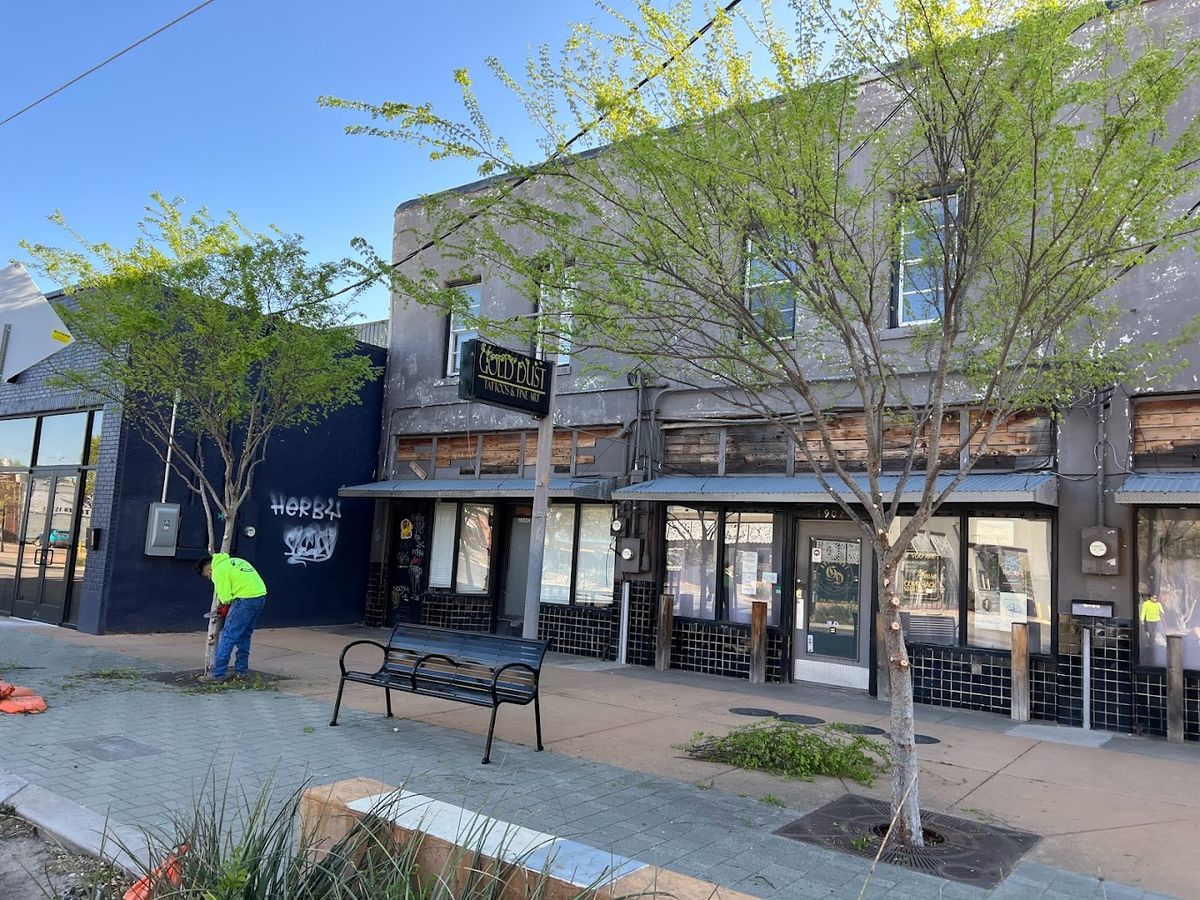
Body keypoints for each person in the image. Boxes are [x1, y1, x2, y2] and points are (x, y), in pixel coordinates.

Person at [196, 553, 268, 683]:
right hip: (260, 596)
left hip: (244, 600)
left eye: (207, 576)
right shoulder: (235, 561)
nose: (210, 578)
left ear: (208, 569)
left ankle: (217, 675)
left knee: (228, 636)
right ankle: (241, 672)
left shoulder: (218, 570)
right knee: (244, 636)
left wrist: (224, 608)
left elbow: (226, 597)